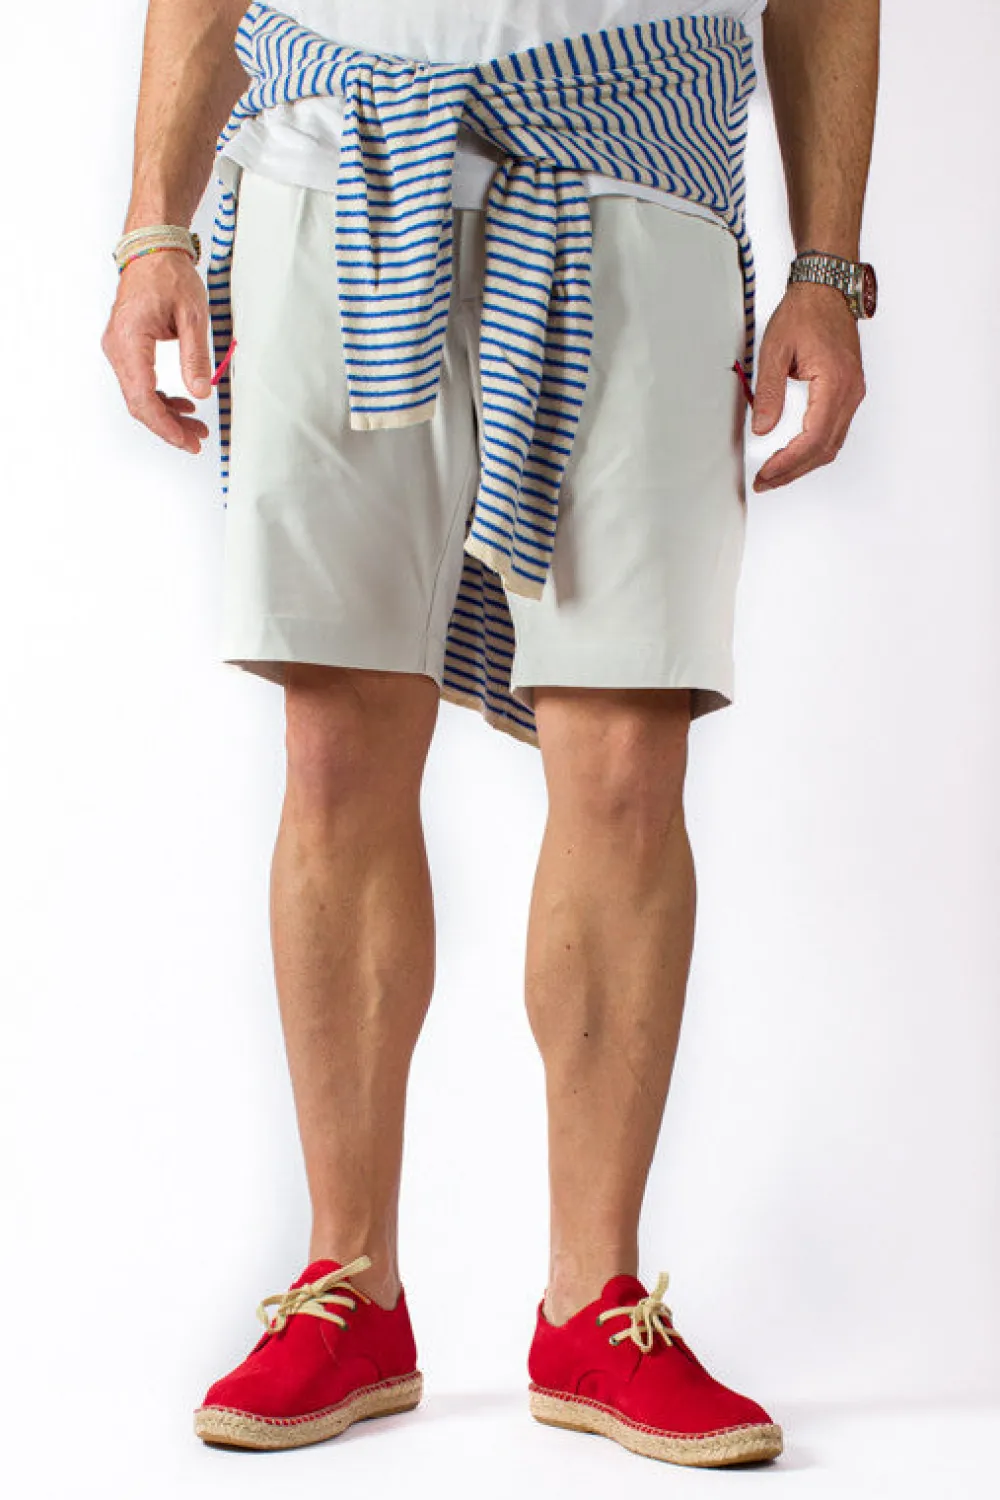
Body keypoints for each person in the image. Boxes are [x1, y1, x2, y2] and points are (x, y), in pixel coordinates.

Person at [101, 0, 879, 1469]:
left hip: (637, 172)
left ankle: (593, 1307)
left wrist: (826, 269)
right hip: (329, 167)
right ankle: (350, 1291)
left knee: (628, 754)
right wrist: (154, 229)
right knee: (336, 741)